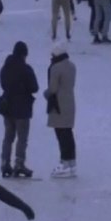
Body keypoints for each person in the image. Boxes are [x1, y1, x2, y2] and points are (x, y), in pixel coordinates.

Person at [0, 41, 38, 178]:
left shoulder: (5, 68)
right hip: (22, 109)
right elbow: (34, 88)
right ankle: (19, 164)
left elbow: (2, 84)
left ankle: (5, 163)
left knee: (8, 137)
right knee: (22, 138)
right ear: (24, 54)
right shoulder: (26, 69)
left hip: (7, 107)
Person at [44, 42, 77, 177]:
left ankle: (64, 163)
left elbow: (53, 89)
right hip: (70, 103)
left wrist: (45, 94)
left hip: (58, 105)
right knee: (68, 133)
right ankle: (71, 162)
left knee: (61, 134)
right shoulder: (72, 66)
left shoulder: (55, 68)